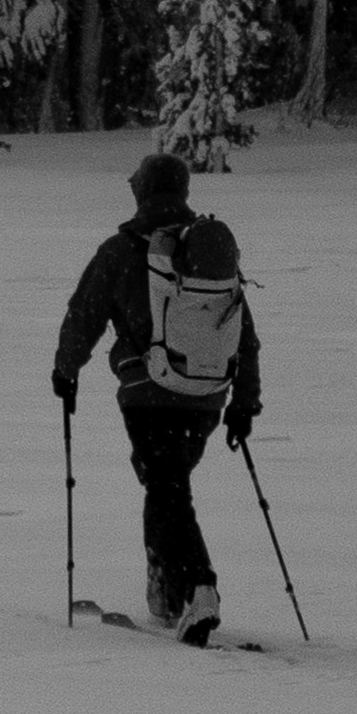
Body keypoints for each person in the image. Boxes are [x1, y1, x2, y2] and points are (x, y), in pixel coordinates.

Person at [53, 138, 263, 640]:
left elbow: (84, 315)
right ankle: (168, 595)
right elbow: (244, 334)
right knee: (166, 485)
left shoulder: (122, 249)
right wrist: (244, 403)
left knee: (167, 488)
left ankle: (198, 588)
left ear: (141, 192)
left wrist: (66, 370)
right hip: (208, 394)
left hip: (149, 392)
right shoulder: (209, 253)